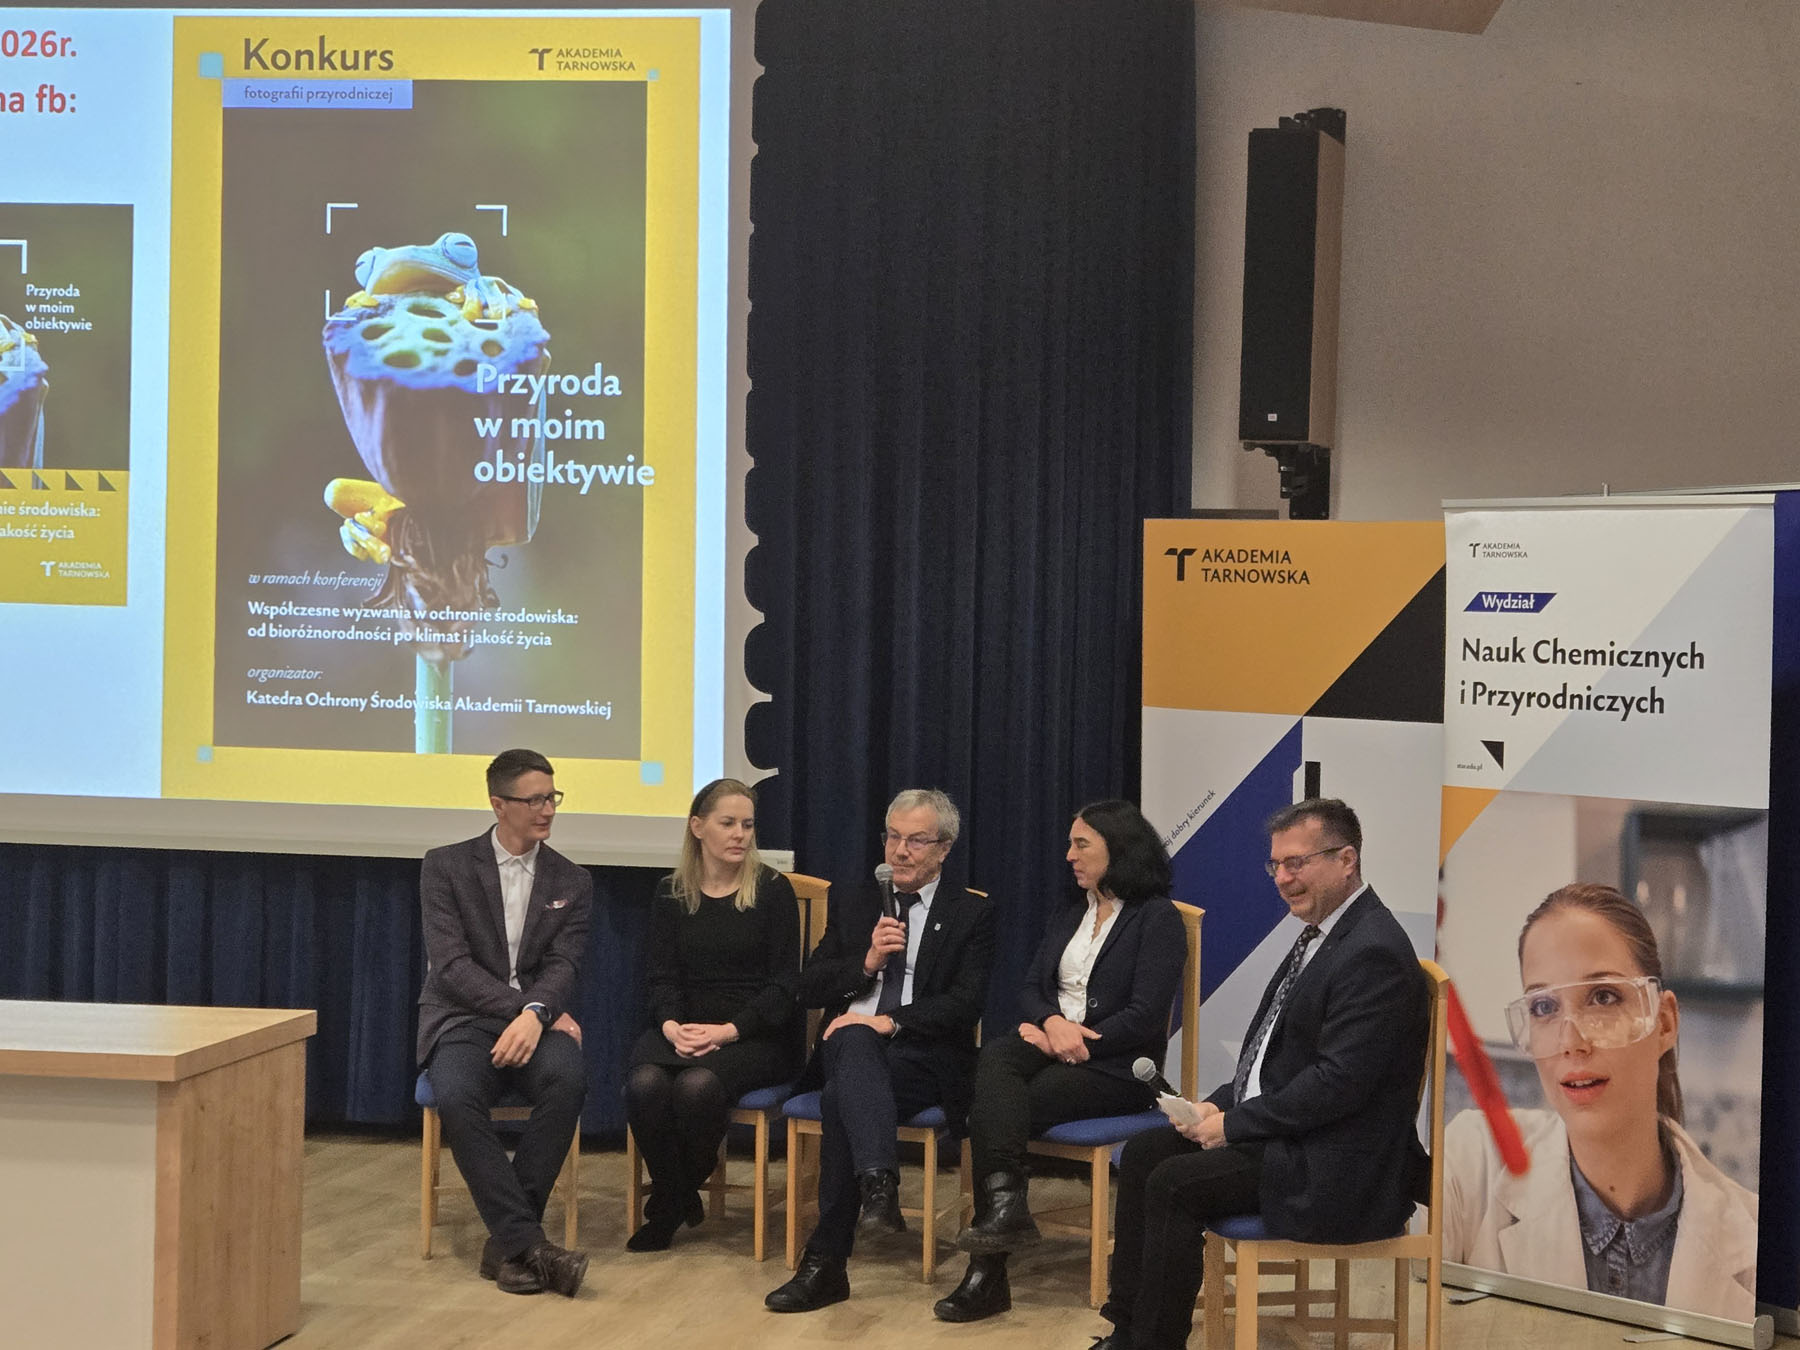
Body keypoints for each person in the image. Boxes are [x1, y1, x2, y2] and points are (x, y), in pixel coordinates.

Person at [1094, 797, 1429, 1349]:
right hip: (1297, 1140)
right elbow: (1274, 1056)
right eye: (1275, 865)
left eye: (1297, 863)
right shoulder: (1324, 932)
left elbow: (1337, 1084)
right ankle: (1126, 1329)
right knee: (1147, 1153)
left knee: (1175, 1184)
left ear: (1346, 860)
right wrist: (1218, 1104)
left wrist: (1234, 1125)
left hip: (1337, 1167)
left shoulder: (1374, 951)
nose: (1283, 878)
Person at [1444, 882, 1757, 1321]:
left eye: (1603, 997)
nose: (1571, 1042)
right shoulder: (1468, 1164)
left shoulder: (1758, 1242)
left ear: (1664, 1023)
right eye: (1544, 1007)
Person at [934, 799, 1187, 1324]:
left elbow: (1145, 1017)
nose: (1069, 855)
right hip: (1050, 1045)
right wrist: (1051, 1023)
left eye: (1081, 844)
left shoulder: (1157, 917)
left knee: (993, 1103)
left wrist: (1072, 1041)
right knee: (996, 1058)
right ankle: (1006, 1207)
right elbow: (1031, 986)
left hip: (1115, 1068)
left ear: (1118, 849)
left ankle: (988, 1269)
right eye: (1070, 844)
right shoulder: (1071, 910)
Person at [764, 789, 997, 1313]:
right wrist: (866, 963)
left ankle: (827, 1261)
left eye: (916, 840)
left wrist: (889, 1021)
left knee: (840, 1092)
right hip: (852, 1050)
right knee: (851, 1041)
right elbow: (810, 987)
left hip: (924, 1058)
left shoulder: (971, 913)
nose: (900, 851)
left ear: (944, 848)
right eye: (893, 837)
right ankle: (877, 1185)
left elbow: (965, 1005)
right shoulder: (856, 902)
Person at [417, 748, 593, 1297]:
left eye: (552, 797)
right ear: (498, 804)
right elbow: (451, 966)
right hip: (464, 1018)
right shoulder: (445, 866)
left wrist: (537, 1015)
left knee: (568, 1080)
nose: (548, 810)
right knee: (455, 1092)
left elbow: (564, 965)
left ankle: (509, 1247)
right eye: (534, 800)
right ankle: (529, 1244)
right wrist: (524, 1010)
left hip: (537, 1021)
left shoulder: (572, 879)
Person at [624, 778, 802, 1250]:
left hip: (755, 1033)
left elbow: (785, 986)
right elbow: (660, 977)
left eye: (748, 825)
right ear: (697, 826)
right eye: (728, 823)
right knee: (644, 1083)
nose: (740, 834)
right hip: (684, 1026)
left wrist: (728, 1031)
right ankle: (682, 1191)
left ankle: (669, 1202)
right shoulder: (671, 892)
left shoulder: (773, 890)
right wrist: (671, 1026)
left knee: (695, 1087)